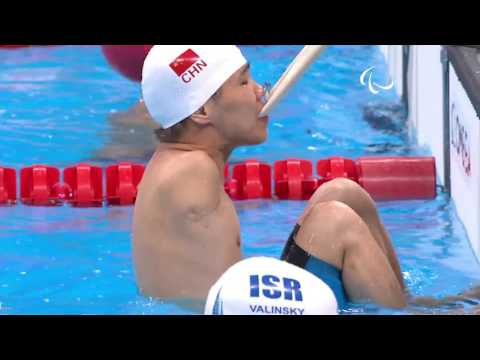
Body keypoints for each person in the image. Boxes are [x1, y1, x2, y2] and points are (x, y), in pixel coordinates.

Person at [132, 45, 407, 312]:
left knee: (344, 194)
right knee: (335, 222)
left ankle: (408, 304)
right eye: (243, 83)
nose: (260, 91)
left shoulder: (180, 162)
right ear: (201, 112)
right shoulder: (191, 172)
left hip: (242, 306)